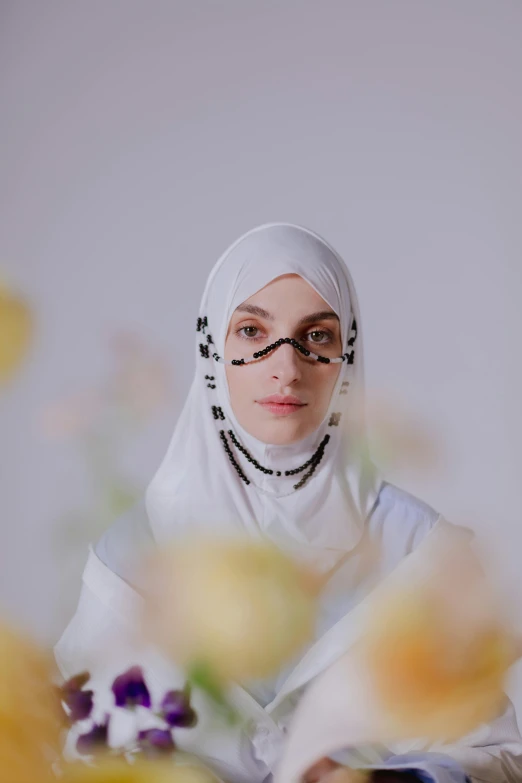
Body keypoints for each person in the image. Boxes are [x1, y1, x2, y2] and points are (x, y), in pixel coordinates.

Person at [55, 223, 522, 783]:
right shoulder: (137, 548)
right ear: (213, 348)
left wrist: (389, 781)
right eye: (252, 331)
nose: (286, 366)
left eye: (317, 337)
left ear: (347, 353)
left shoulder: (419, 548)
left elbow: (494, 754)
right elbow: (77, 746)